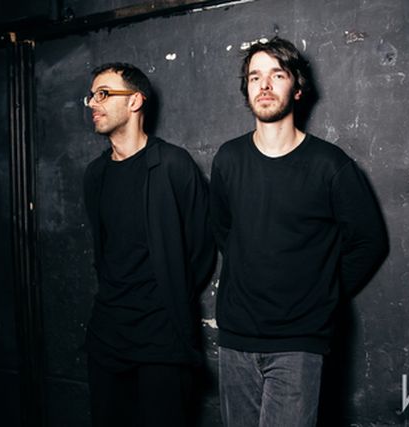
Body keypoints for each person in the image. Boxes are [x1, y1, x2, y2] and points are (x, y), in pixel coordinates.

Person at [210, 37, 389, 427]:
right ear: (246, 90)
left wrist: (322, 292)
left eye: (277, 74)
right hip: (236, 337)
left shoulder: (330, 165)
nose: (264, 85)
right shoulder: (228, 158)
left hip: (298, 342)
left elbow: (370, 241)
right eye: (254, 77)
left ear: (298, 88)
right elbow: (223, 231)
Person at [82, 62, 215, 427]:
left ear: (135, 101)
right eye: (91, 95)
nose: (93, 103)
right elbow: (103, 250)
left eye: (104, 94)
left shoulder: (172, 164)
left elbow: (202, 247)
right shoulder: (95, 174)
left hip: (162, 340)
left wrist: (170, 292)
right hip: (107, 337)